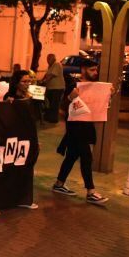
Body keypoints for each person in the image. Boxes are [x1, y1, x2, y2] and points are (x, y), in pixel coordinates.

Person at [52, 58, 109, 205]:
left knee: (71, 156)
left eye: (96, 70)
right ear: (83, 69)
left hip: (87, 126)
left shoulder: (96, 87)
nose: (95, 72)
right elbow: (65, 104)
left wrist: (109, 95)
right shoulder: (74, 85)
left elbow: (99, 106)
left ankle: (59, 184)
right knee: (86, 157)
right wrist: (71, 96)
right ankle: (90, 192)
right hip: (76, 127)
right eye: (92, 70)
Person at [41, 54, 65, 123]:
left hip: (57, 88)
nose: (47, 60)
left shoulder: (57, 64)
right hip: (51, 88)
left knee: (54, 104)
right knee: (49, 104)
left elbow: (51, 75)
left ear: (54, 59)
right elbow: (47, 75)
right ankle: (49, 117)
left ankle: (54, 119)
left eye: (49, 59)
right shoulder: (50, 66)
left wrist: (44, 82)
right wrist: (42, 80)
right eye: (47, 59)